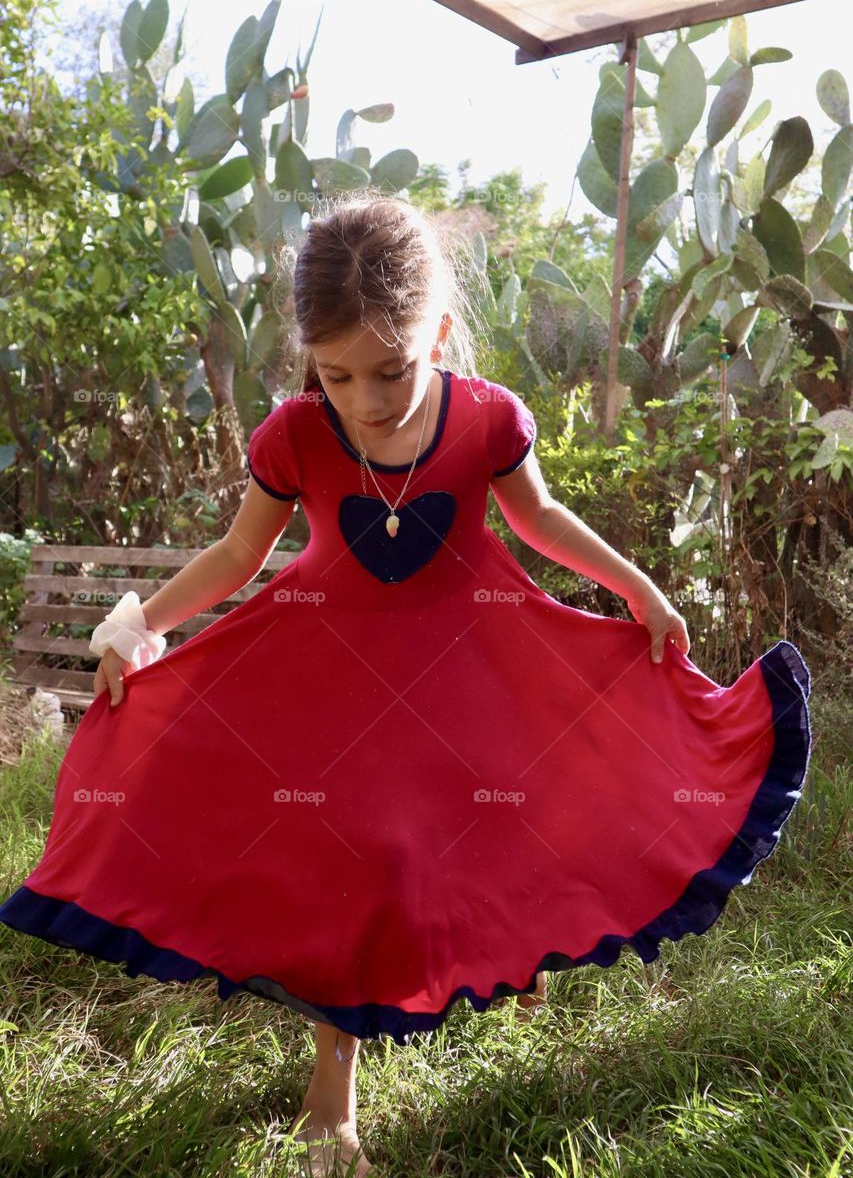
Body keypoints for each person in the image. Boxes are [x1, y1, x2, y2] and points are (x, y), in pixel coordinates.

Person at [0, 191, 812, 1177]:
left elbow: (540, 520)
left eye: (390, 369)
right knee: (360, 860)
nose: (365, 400)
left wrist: (635, 588)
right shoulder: (295, 435)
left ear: (438, 331)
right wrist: (137, 624)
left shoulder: (485, 419)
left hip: (473, 667)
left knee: (508, 824)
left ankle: (510, 955)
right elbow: (235, 554)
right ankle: (331, 1085)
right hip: (328, 677)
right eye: (335, 373)